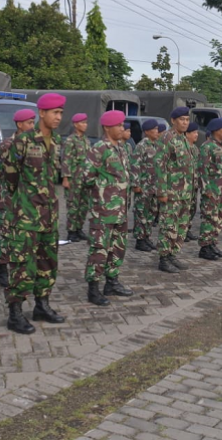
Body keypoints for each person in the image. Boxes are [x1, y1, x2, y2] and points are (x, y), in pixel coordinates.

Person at [2, 93, 67, 334]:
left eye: (61, 113)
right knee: (22, 266)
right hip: (27, 216)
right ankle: (15, 313)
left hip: (49, 215)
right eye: (54, 113)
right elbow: (10, 175)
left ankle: (42, 305)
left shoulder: (57, 141)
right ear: (42, 113)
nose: (59, 117)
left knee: (47, 263)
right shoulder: (24, 141)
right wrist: (22, 202)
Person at [84, 110, 134, 305]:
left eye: (123, 125)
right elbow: (87, 177)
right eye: (119, 125)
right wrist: (101, 194)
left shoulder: (121, 148)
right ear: (107, 127)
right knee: (100, 249)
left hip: (121, 210)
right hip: (104, 211)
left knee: (118, 247)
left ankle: (111, 282)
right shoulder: (99, 149)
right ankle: (93, 288)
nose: (122, 128)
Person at [0, 109, 36, 288]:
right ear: (19, 125)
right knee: (7, 233)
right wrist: (3, 191)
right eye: (29, 123)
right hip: (10, 195)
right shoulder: (7, 145)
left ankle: (22, 269)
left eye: (34, 122)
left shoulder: (34, 145)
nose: (33, 126)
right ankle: (2, 270)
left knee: (24, 234)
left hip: (28, 198)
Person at [154, 107, 194, 273]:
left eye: (187, 119)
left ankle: (172, 254)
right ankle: (163, 258)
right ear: (173, 120)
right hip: (171, 192)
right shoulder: (167, 138)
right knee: (168, 225)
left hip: (184, 192)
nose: (185, 122)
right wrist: (162, 191)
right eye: (182, 119)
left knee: (181, 225)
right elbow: (159, 165)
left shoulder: (183, 139)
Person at [198, 118, 222, 260]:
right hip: (212, 190)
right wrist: (207, 190)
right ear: (217, 130)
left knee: (218, 219)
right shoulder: (207, 147)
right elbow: (202, 170)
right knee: (209, 218)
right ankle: (205, 248)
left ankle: (212, 243)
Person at [62, 113, 90, 243]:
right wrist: (66, 178)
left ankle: (79, 228)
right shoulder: (70, 140)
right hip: (73, 178)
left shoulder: (86, 140)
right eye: (82, 123)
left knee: (83, 205)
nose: (85, 125)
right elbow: (66, 160)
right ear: (75, 124)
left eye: (86, 123)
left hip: (84, 178)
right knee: (73, 206)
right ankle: (71, 232)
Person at [132, 119, 160, 252]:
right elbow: (135, 165)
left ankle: (146, 236)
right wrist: (135, 184)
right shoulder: (141, 146)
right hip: (143, 187)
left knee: (151, 212)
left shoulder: (156, 145)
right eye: (154, 129)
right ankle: (139, 239)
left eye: (157, 129)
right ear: (147, 131)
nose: (157, 132)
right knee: (141, 213)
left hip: (153, 187)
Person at [184, 122, 200, 242]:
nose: (196, 135)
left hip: (193, 185)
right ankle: (181, 231)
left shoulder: (195, 149)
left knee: (192, 208)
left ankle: (187, 229)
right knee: (183, 210)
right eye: (194, 132)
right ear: (187, 134)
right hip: (183, 186)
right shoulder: (182, 148)